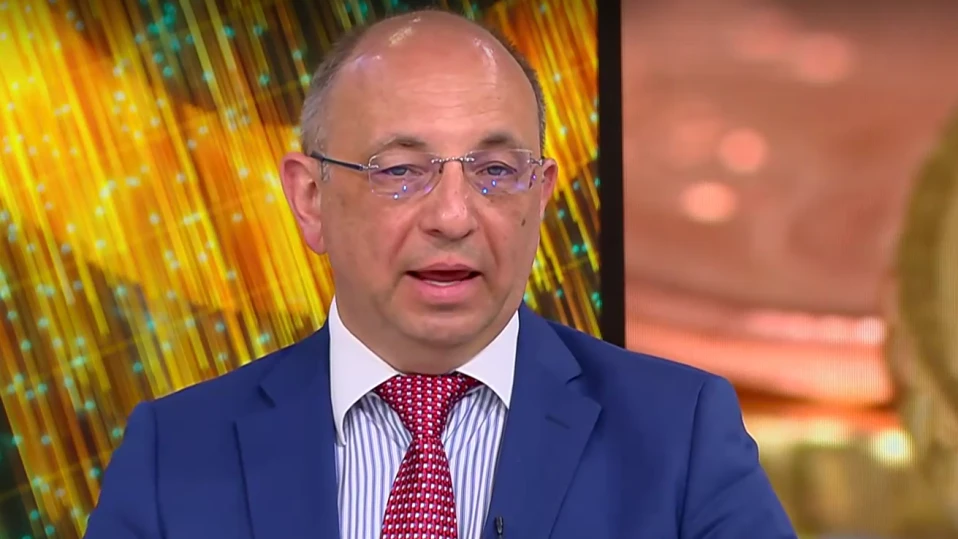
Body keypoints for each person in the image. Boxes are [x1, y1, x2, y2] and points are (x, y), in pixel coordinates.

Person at [85, 8, 796, 539]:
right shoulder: (173, 455)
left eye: (496, 171)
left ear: (541, 197)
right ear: (309, 199)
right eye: (400, 171)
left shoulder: (680, 436)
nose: (454, 216)